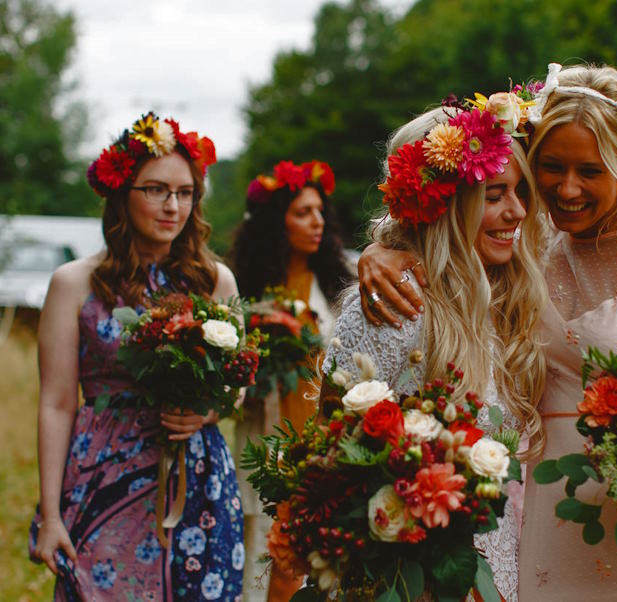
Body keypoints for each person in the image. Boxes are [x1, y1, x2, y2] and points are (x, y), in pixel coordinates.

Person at [359, 64, 617, 601]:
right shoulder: (525, 241)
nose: (567, 189)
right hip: (541, 520)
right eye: (551, 167)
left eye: (590, 170)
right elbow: (446, 230)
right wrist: (386, 248)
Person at [323, 96, 549, 601]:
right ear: (444, 204)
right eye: (494, 194)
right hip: (409, 574)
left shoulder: (505, 295)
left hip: (500, 562)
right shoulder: (391, 304)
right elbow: (334, 456)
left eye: (520, 191)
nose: (517, 211)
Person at [29, 113, 244, 600]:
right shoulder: (73, 284)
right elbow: (57, 402)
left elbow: (237, 386)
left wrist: (206, 410)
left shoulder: (217, 282)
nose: (173, 206)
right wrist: (50, 514)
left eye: (185, 192)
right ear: (122, 194)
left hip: (198, 479)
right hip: (104, 472)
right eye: (156, 190)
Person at [229, 160, 353, 601]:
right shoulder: (245, 289)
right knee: (264, 555)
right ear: (275, 222)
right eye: (303, 212)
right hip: (266, 436)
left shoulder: (339, 284)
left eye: (320, 211)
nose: (317, 221)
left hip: (323, 445)